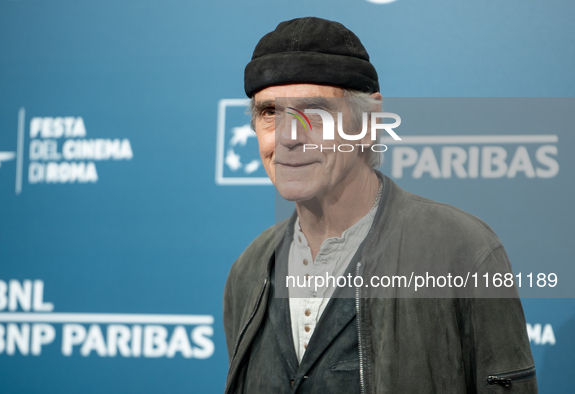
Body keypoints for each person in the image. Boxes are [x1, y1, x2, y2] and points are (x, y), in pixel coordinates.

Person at [223, 17, 536, 393]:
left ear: (368, 121)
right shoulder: (249, 271)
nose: (290, 137)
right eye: (270, 112)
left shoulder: (461, 251)